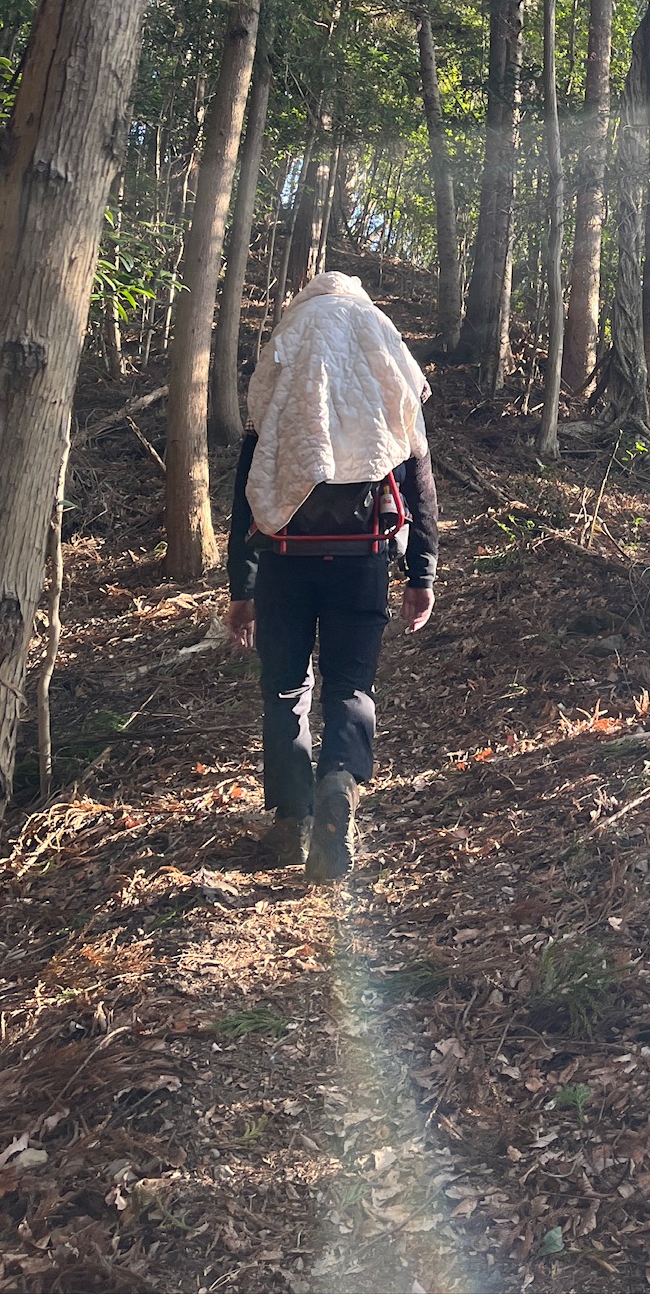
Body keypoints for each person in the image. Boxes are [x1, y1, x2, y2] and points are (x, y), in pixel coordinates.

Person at [226, 271, 439, 881]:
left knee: (286, 688)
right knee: (352, 683)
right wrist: (420, 571)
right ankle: (339, 783)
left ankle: (291, 822)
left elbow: (252, 479)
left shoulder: (287, 344)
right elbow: (415, 470)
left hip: (285, 557)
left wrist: (241, 588)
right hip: (363, 556)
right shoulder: (382, 342)